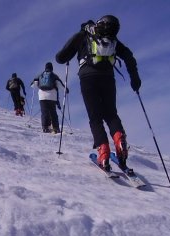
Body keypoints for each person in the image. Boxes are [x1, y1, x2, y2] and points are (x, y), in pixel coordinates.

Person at [55, 15, 141, 171]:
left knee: (95, 118)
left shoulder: (83, 35)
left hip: (87, 78)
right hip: (108, 78)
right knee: (111, 114)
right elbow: (128, 56)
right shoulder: (112, 39)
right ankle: (119, 139)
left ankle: (103, 152)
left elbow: (60, 58)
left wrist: (70, 54)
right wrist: (134, 78)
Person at [31, 62, 67, 133]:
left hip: (42, 96)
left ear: (45, 68)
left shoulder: (40, 75)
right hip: (52, 96)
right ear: (52, 68)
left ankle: (45, 127)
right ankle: (56, 128)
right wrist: (66, 90)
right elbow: (61, 85)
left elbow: (33, 85)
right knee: (53, 112)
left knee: (44, 112)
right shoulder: (53, 75)